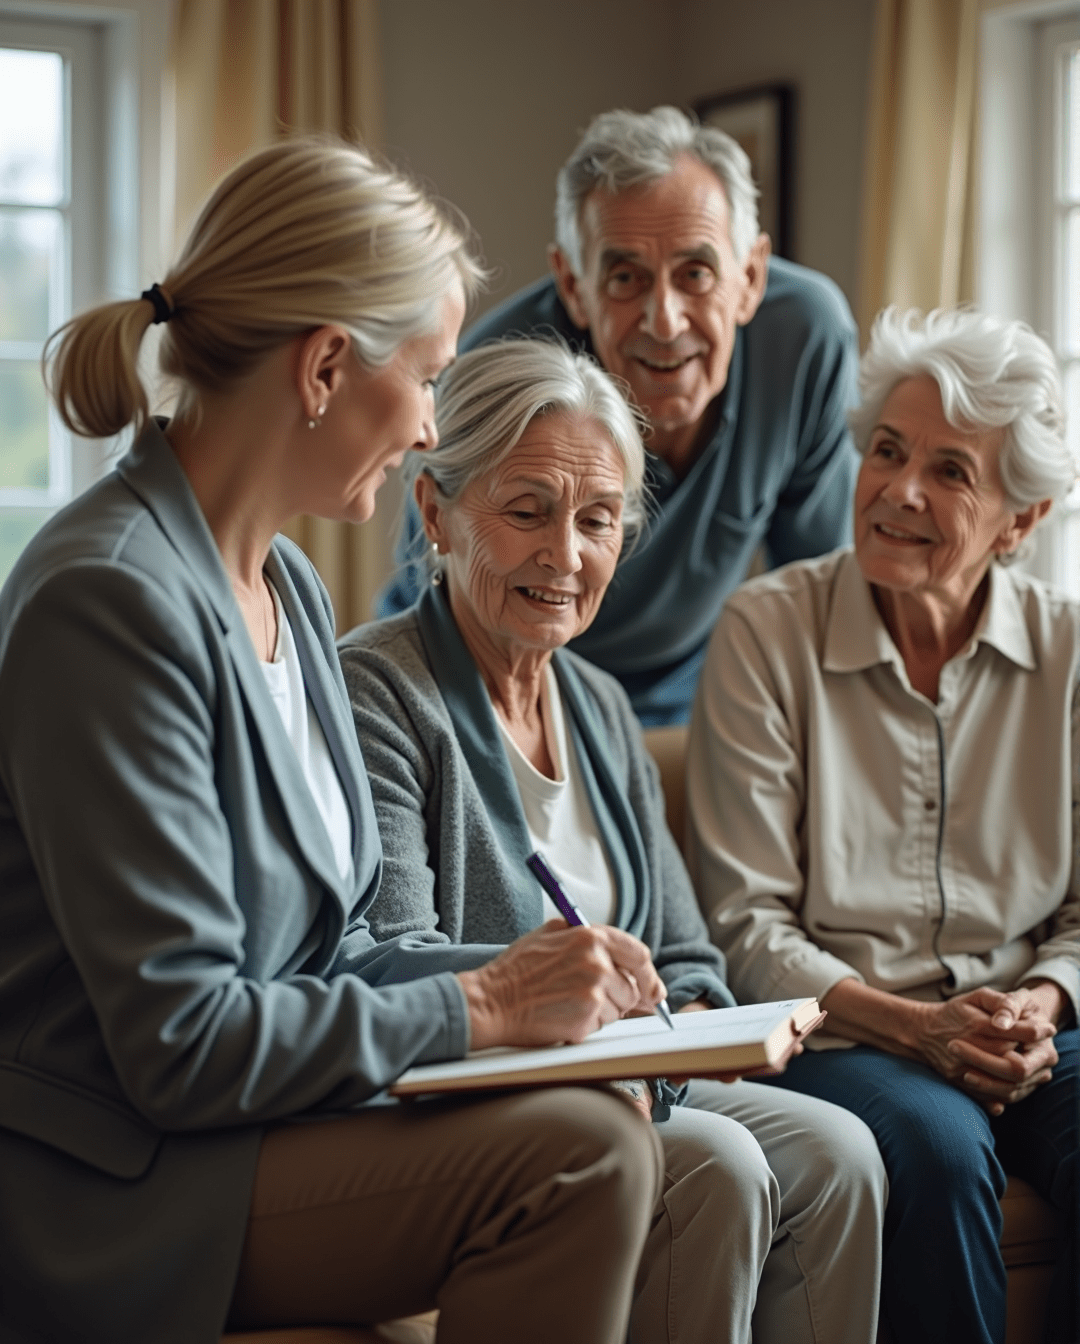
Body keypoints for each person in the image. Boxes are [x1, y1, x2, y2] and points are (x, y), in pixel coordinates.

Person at [0, 139, 675, 1344]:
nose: (428, 428)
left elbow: (340, 944)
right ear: (323, 369)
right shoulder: (107, 599)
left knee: (606, 1119)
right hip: (122, 1182)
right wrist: (480, 1005)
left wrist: (553, 994)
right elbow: (183, 1041)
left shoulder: (292, 589)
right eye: (426, 379)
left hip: (253, 1129)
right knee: (579, 1158)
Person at [339, 338, 888, 1344]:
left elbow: (687, 957)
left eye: (597, 520)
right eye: (526, 510)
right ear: (434, 512)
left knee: (844, 1152)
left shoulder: (596, 703)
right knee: (719, 1169)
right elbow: (391, 961)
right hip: (479, 1097)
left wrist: (669, 1043)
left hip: (636, 1080)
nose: (566, 554)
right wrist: (589, 1030)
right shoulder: (375, 693)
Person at [685, 306, 1080, 1344]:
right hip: (846, 1027)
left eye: (951, 472)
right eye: (887, 451)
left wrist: (1038, 1002)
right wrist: (923, 1031)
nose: (899, 491)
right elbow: (745, 926)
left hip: (1028, 1026)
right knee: (941, 1152)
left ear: (1020, 523)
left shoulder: (1071, 652)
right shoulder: (767, 631)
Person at [377, 105, 860, 726]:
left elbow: (816, 590)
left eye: (696, 273)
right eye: (626, 277)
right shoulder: (491, 372)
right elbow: (435, 605)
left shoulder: (803, 341)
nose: (665, 321)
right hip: (503, 689)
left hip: (692, 694)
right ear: (573, 284)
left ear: (750, 276)